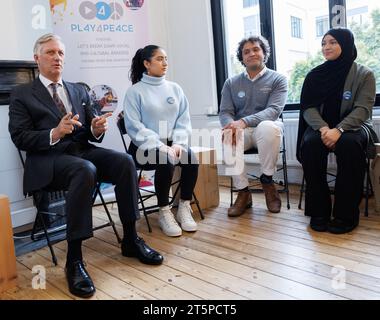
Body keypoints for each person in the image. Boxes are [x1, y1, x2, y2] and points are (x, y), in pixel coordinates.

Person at [8, 34, 163, 299]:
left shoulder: (77, 89)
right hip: (48, 160)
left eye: (60, 53)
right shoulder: (22, 93)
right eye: (50, 53)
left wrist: (95, 127)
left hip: (82, 152)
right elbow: (19, 137)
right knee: (84, 170)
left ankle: (130, 239)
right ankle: (75, 260)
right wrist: (54, 133)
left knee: (124, 161)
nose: (57, 57)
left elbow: (92, 127)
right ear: (37, 58)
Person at [296, 28, 377, 234]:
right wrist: (324, 129)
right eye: (324, 43)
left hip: (353, 127)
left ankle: (345, 214)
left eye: (332, 42)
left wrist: (339, 129)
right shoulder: (315, 75)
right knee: (311, 143)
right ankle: (319, 212)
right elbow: (308, 107)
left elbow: (363, 109)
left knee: (350, 144)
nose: (326, 47)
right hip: (321, 126)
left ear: (346, 44)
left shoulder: (364, 74)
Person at [123, 45, 199, 237]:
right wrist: (160, 146)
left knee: (191, 158)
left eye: (165, 58)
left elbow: (184, 120)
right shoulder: (135, 92)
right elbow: (134, 126)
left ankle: (183, 206)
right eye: (159, 59)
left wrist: (178, 144)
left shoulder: (175, 88)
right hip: (143, 148)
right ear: (147, 64)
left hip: (173, 144)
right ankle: (164, 211)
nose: (165, 63)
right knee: (165, 161)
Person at [219, 35, 288, 217]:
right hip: (244, 132)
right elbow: (225, 111)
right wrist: (230, 126)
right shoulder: (231, 83)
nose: (251, 54)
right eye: (246, 52)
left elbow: (274, 110)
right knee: (227, 136)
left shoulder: (278, 79)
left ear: (264, 53)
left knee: (267, 126)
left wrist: (243, 121)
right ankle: (243, 193)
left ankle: (267, 181)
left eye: (256, 49)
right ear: (242, 58)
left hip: (267, 130)